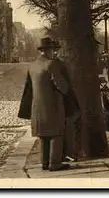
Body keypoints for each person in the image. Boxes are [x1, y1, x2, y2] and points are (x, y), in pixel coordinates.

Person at [23, 37, 70, 171]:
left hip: (37, 108)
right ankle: (54, 163)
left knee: (43, 135)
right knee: (57, 133)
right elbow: (62, 86)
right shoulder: (51, 64)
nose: (54, 52)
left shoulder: (32, 66)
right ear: (48, 50)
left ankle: (44, 162)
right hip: (53, 106)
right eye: (52, 50)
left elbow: (29, 88)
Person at [52, 40, 80, 162]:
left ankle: (68, 153)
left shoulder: (60, 64)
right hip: (62, 102)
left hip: (65, 101)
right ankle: (66, 154)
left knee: (67, 130)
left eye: (55, 50)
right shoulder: (56, 65)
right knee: (65, 131)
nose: (54, 52)